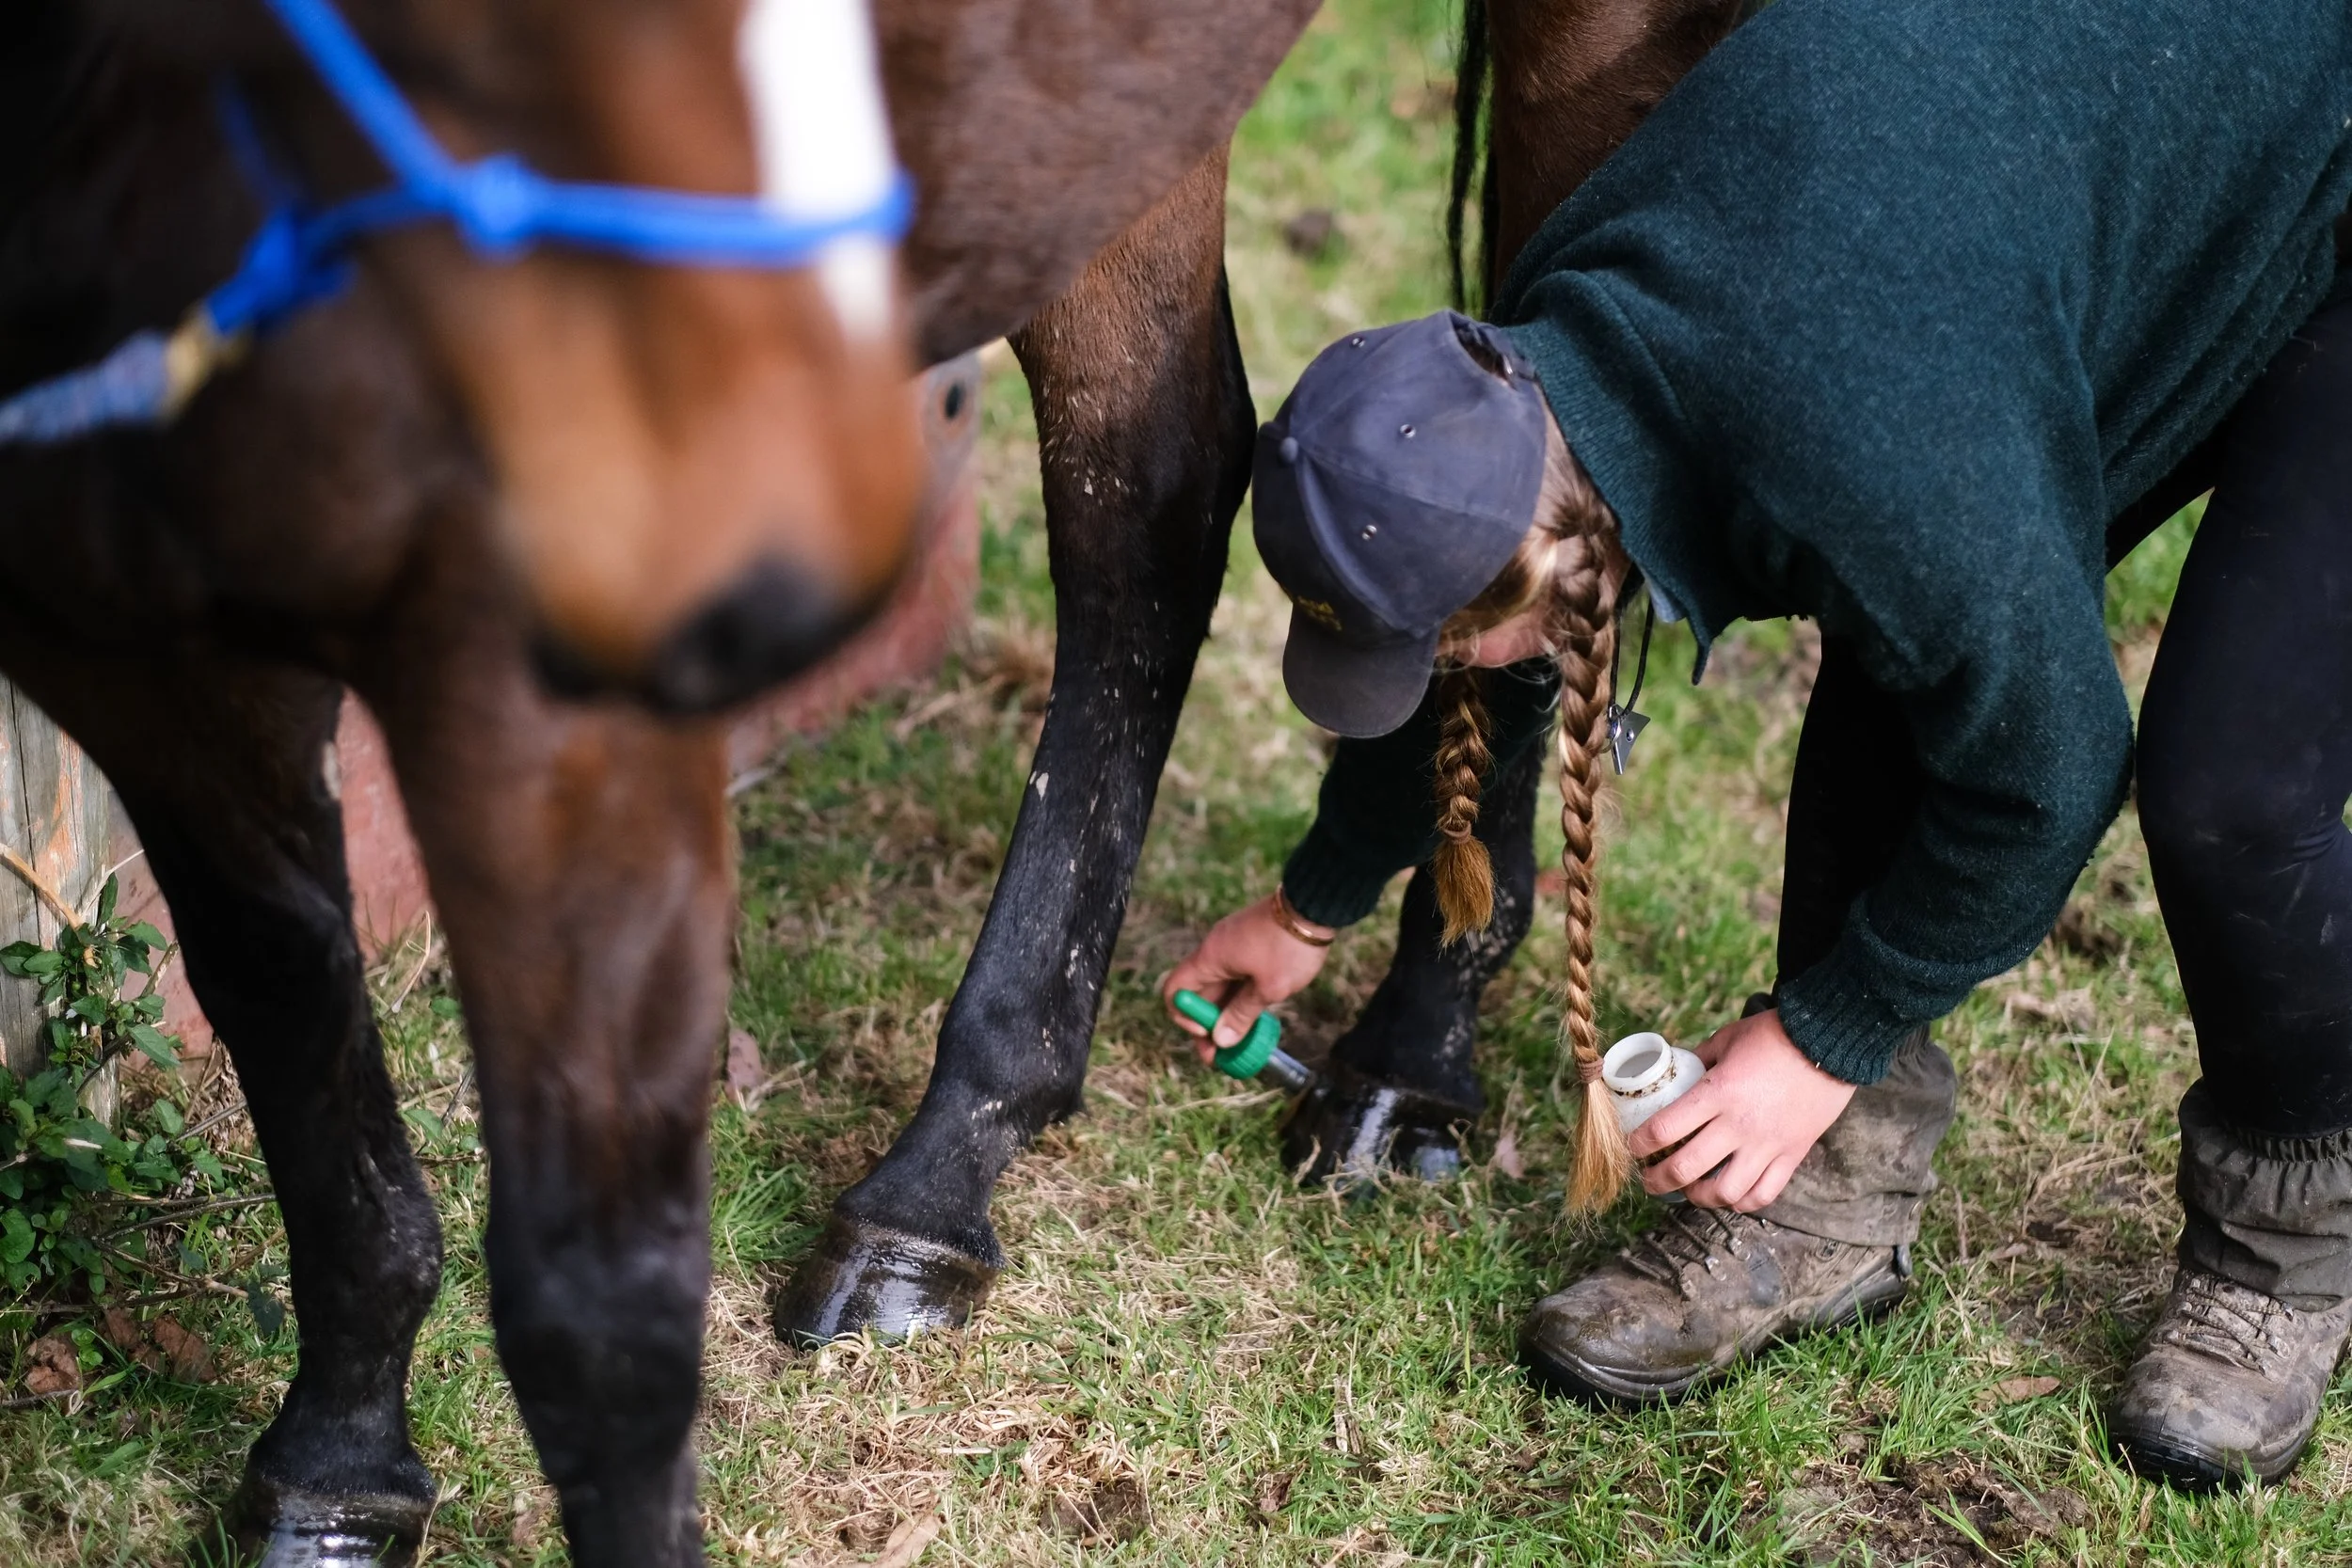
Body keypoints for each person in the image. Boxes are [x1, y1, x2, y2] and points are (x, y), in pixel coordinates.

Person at [1163, 0, 2352, 1490]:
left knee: (2233, 784)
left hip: (2319, 160)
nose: (1430, 669)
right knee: (1909, 644)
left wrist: (1816, 1040)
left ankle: (2287, 1245)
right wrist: (1308, 903)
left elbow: (2047, 776)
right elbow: (1507, 660)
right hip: (2083, 192)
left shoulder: (1869, 454)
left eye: (1435, 641)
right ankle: (1830, 1203)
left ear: (1550, 571)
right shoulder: (1539, 359)